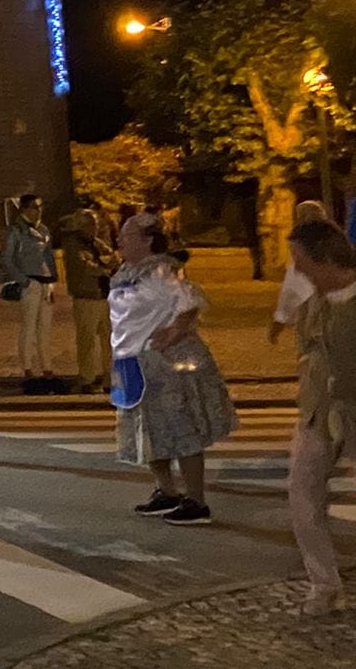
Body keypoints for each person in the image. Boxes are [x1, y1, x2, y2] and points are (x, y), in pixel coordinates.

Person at [107, 213, 237, 526]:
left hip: (161, 364)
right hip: (133, 360)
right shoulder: (128, 271)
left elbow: (189, 302)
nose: (120, 241)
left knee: (180, 427)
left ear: (147, 240)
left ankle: (196, 500)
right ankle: (167, 491)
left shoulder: (160, 270)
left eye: (127, 236)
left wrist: (173, 333)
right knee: (148, 427)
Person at [285, 218, 356, 616]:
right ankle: (324, 585)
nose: (296, 270)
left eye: (300, 261)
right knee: (303, 492)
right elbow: (307, 348)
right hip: (318, 413)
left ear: (325, 259)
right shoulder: (314, 301)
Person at [57, 205, 118, 395]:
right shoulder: (74, 243)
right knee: (87, 340)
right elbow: (87, 267)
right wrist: (106, 268)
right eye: (91, 224)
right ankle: (87, 378)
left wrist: (108, 263)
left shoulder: (94, 242)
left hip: (102, 294)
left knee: (108, 339)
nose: (95, 228)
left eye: (96, 224)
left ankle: (109, 377)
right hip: (86, 296)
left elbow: (114, 257)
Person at [1, 193, 58, 390]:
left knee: (45, 327)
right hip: (30, 280)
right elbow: (7, 259)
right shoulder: (16, 230)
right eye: (34, 207)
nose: (38, 211)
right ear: (25, 209)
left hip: (45, 282)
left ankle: (47, 366)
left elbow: (49, 257)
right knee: (29, 326)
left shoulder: (43, 229)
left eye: (40, 207)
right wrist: (23, 281)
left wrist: (53, 281)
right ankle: (27, 366)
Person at [270, 199, 331, 345]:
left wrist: (281, 319)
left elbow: (293, 285)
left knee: (310, 346)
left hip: (311, 302)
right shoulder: (334, 242)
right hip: (330, 301)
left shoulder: (300, 244)